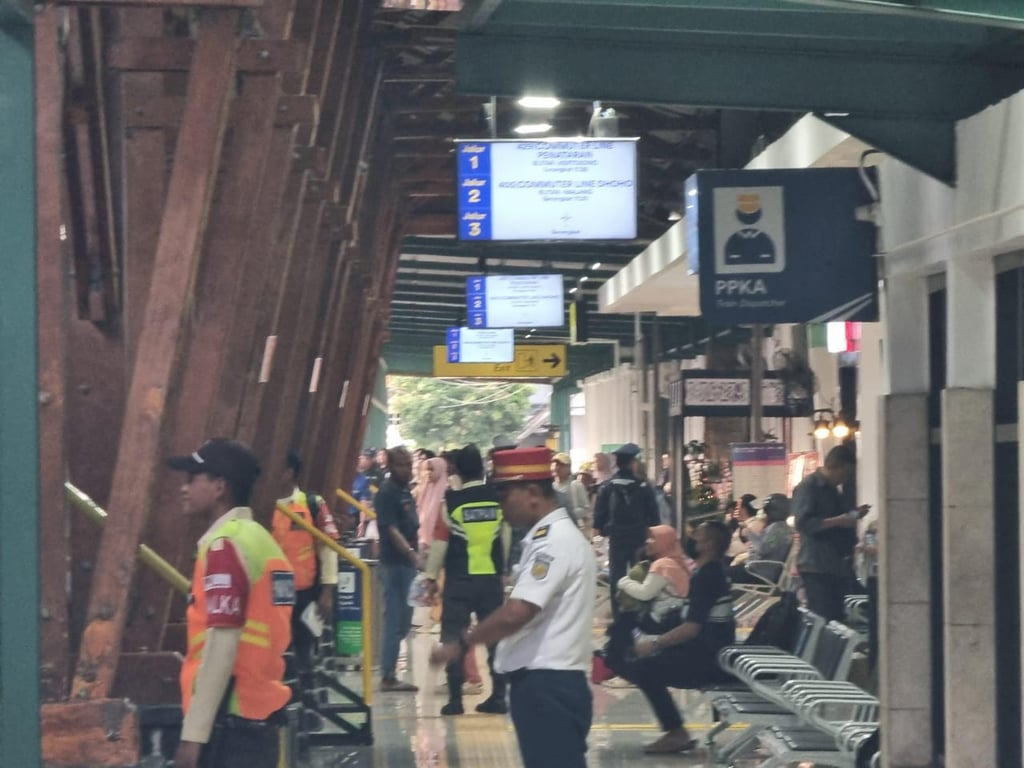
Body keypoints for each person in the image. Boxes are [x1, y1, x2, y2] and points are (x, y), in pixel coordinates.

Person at [429, 447, 596, 768]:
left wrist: (461, 644)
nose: (500, 507)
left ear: (532, 492)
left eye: (504, 496)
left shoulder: (553, 542)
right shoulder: (549, 537)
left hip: (548, 687)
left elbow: (517, 613)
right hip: (551, 683)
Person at [167, 438, 294, 768]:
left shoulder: (224, 547)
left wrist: (193, 736)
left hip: (229, 724)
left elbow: (221, 644)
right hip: (259, 713)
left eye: (193, 477)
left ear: (219, 486)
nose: (184, 488)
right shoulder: (262, 542)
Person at [625, 521, 736, 754]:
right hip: (711, 652)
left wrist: (654, 643)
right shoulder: (710, 572)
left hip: (709, 660)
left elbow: (691, 628)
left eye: (697, 536)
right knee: (642, 662)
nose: (691, 539)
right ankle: (676, 731)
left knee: (642, 668)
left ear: (708, 544)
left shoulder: (707, 577)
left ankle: (676, 732)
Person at [424, 444, 510, 716]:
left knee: (454, 635)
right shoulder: (497, 500)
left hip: (459, 581)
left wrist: (429, 576)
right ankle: (498, 696)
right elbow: (505, 537)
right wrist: (501, 568)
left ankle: (455, 700)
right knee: (495, 638)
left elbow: (440, 544)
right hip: (490, 581)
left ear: (458, 470)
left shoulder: (451, 503)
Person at [271, 450, 340, 678]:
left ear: (289, 473)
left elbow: (327, 547)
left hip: (304, 593)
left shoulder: (311, 504)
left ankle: (307, 701)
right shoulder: (262, 506)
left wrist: (327, 591)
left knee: (304, 652)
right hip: (269, 596)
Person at [794, 444, 870, 622]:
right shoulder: (809, 487)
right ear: (834, 466)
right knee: (824, 617)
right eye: (844, 474)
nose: (845, 480)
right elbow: (803, 523)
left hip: (834, 564)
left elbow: (833, 517)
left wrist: (853, 515)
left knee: (836, 615)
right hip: (816, 563)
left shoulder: (832, 489)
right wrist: (840, 520)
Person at [602, 525, 690, 675]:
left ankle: (617, 666)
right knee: (624, 624)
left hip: (662, 620)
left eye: (653, 538)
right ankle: (618, 665)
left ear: (664, 542)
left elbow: (644, 593)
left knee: (622, 625)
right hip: (673, 616)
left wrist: (622, 581)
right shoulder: (675, 561)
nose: (648, 542)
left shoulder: (663, 565)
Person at [592, 443, 661, 617]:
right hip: (640, 540)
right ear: (633, 463)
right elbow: (654, 518)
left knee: (618, 577)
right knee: (642, 575)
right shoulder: (644, 487)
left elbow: (598, 520)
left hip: (616, 540)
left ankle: (619, 613)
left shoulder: (607, 487)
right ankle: (641, 613)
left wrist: (601, 535)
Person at [374, 446, 421, 691]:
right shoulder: (387, 493)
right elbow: (391, 530)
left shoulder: (405, 491)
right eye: (401, 465)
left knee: (404, 621)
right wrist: (412, 555)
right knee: (394, 620)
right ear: (390, 466)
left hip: (407, 565)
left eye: (408, 464)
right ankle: (388, 676)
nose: (407, 469)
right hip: (394, 565)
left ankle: (389, 671)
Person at [729, 493, 794, 585]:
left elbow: (763, 549)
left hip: (760, 572)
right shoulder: (782, 528)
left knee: (723, 574)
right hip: (761, 569)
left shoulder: (778, 529)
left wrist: (749, 533)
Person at [550, 452, 590, 533]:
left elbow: (585, 508)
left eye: (561, 465)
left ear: (568, 468)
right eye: (555, 464)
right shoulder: (551, 487)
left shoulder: (576, 485)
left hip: (573, 528)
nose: (557, 468)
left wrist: (568, 513)